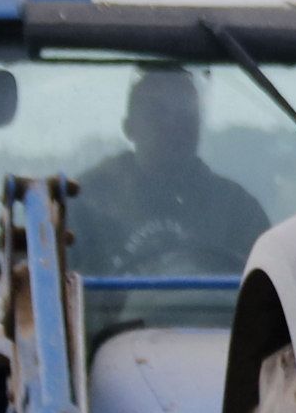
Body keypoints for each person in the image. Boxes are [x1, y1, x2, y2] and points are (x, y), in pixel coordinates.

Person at [76, 66, 271, 278]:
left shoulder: (237, 209)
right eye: (156, 112)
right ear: (129, 127)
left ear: (199, 126)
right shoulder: (87, 203)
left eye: (185, 115)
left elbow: (264, 291)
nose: (172, 125)